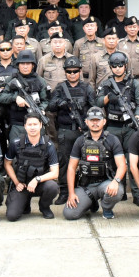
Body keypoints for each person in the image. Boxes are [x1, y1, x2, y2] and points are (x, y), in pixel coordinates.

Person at [63, 107, 127, 220]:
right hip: (86, 185)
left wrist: (115, 181)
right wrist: (71, 193)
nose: (95, 123)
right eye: (92, 120)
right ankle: (91, 202)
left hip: (106, 183)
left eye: (98, 120)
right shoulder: (80, 141)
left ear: (104, 121)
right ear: (86, 122)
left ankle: (107, 208)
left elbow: (122, 165)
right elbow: (71, 168)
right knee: (69, 214)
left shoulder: (113, 140)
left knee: (118, 191)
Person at [46, 56, 93, 203]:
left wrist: (87, 123)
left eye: (75, 71)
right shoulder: (60, 88)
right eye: (69, 71)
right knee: (64, 161)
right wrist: (61, 103)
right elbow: (50, 106)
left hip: (83, 131)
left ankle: (85, 190)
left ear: (80, 71)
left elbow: (94, 108)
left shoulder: (87, 88)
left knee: (86, 161)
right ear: (65, 72)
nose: (72, 74)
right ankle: (64, 191)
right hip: (65, 131)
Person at [4, 112, 60, 221]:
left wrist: (37, 179)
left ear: (41, 125)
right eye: (29, 124)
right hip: (22, 184)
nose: (32, 127)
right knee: (12, 216)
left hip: (40, 184)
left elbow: (55, 173)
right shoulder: (16, 143)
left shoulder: (49, 145)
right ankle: (25, 203)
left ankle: (44, 207)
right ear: (25, 126)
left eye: (35, 124)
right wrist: (16, 182)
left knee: (52, 187)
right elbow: (7, 163)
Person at [117, 18, 139, 85]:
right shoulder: (119, 44)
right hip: (124, 80)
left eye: (134, 27)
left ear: (138, 28)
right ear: (125, 28)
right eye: (130, 27)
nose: (132, 29)